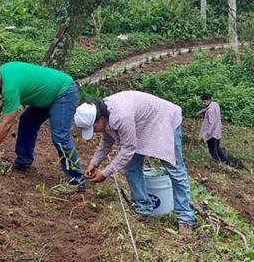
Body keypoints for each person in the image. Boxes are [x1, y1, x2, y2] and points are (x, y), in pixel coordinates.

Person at [74, 91, 196, 237]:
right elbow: (107, 141)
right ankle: (143, 209)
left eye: (93, 128)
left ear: (100, 119)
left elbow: (128, 149)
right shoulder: (103, 114)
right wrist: (94, 163)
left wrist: (105, 173)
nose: (94, 132)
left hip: (163, 119)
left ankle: (185, 218)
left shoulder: (121, 116)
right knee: (131, 167)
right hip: (141, 124)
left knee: (174, 169)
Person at [0, 62, 85, 190]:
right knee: (27, 121)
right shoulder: (3, 72)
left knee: (60, 137)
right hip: (46, 94)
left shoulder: (10, 85)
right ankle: (23, 161)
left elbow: (7, 124)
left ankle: (77, 181)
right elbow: (8, 97)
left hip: (63, 92)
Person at [197, 93, 230, 164]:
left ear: (209, 100)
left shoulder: (210, 110)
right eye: (202, 102)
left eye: (204, 102)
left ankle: (219, 164)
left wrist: (206, 134)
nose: (203, 103)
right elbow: (208, 108)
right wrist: (202, 111)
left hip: (211, 134)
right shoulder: (215, 105)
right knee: (217, 148)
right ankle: (228, 162)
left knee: (212, 150)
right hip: (217, 132)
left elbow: (211, 124)